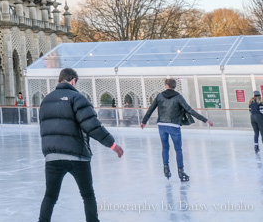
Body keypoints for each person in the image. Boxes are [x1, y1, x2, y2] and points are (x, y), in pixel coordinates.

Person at [38, 68, 123, 222]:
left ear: (58, 81)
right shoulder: (77, 98)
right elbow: (92, 126)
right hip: (77, 156)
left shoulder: (46, 100)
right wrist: (112, 144)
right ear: (74, 81)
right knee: (88, 195)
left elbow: (44, 128)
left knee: (50, 196)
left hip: (52, 157)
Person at [140, 78, 213, 182]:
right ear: (175, 86)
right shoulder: (178, 97)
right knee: (178, 149)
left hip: (162, 125)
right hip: (174, 126)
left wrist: (144, 121)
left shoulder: (159, 96)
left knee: (165, 147)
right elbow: (190, 110)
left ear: (166, 85)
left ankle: (166, 168)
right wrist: (205, 120)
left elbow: (151, 109)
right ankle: (180, 171)